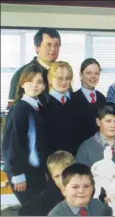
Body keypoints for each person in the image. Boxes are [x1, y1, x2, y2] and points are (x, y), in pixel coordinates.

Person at [2, 63, 48, 210]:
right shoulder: (19, 110)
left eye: (39, 81)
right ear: (22, 83)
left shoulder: (37, 107)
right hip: (22, 174)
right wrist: (17, 174)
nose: (34, 85)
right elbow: (12, 144)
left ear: (44, 86)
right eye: (30, 80)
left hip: (35, 172)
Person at [8, 28, 60, 108]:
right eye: (48, 45)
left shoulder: (62, 72)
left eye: (56, 45)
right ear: (37, 47)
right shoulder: (23, 73)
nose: (53, 49)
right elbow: (13, 112)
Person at [75, 102, 115, 168]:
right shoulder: (86, 147)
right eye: (108, 121)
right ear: (98, 122)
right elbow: (79, 174)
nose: (112, 126)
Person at [41, 61, 79, 157]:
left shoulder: (77, 101)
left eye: (67, 78)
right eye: (59, 78)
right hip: (51, 160)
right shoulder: (43, 104)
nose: (63, 82)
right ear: (50, 79)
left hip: (74, 158)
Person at [19, 151, 75, 216]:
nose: (61, 180)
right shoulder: (48, 198)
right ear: (52, 178)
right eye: (57, 176)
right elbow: (24, 212)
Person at [48, 163, 112, 216]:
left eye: (86, 186)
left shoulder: (98, 206)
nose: (81, 191)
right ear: (64, 191)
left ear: (92, 188)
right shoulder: (56, 215)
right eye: (75, 187)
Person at [72, 58, 106, 144]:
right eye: (88, 73)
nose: (93, 76)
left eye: (96, 73)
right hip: (79, 147)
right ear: (80, 74)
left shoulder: (102, 98)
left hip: (99, 147)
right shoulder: (73, 98)